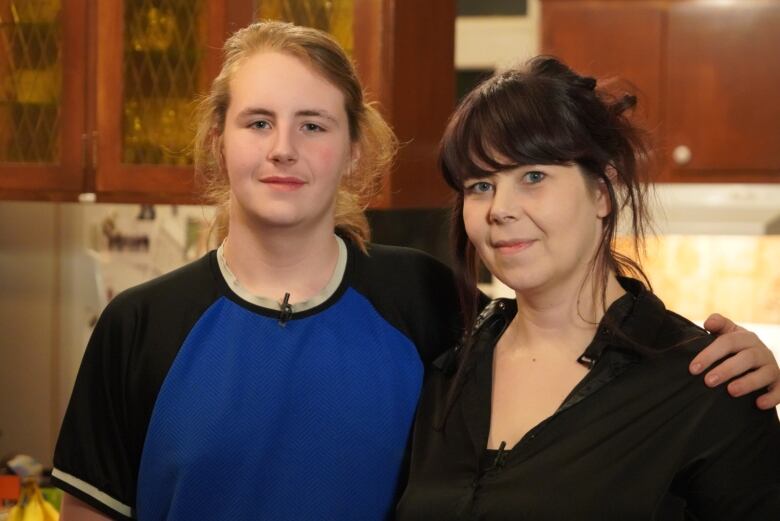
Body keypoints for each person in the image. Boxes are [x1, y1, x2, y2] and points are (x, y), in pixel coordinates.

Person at [51, 22, 777, 521]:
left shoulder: (425, 303)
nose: (282, 149)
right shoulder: (465, 344)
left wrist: (747, 369)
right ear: (218, 141)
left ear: (354, 151)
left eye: (313, 123)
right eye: (480, 185)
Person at [397, 57, 780, 520]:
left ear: (602, 192)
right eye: (480, 185)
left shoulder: (709, 385)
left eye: (533, 176)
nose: (500, 208)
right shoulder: (447, 366)